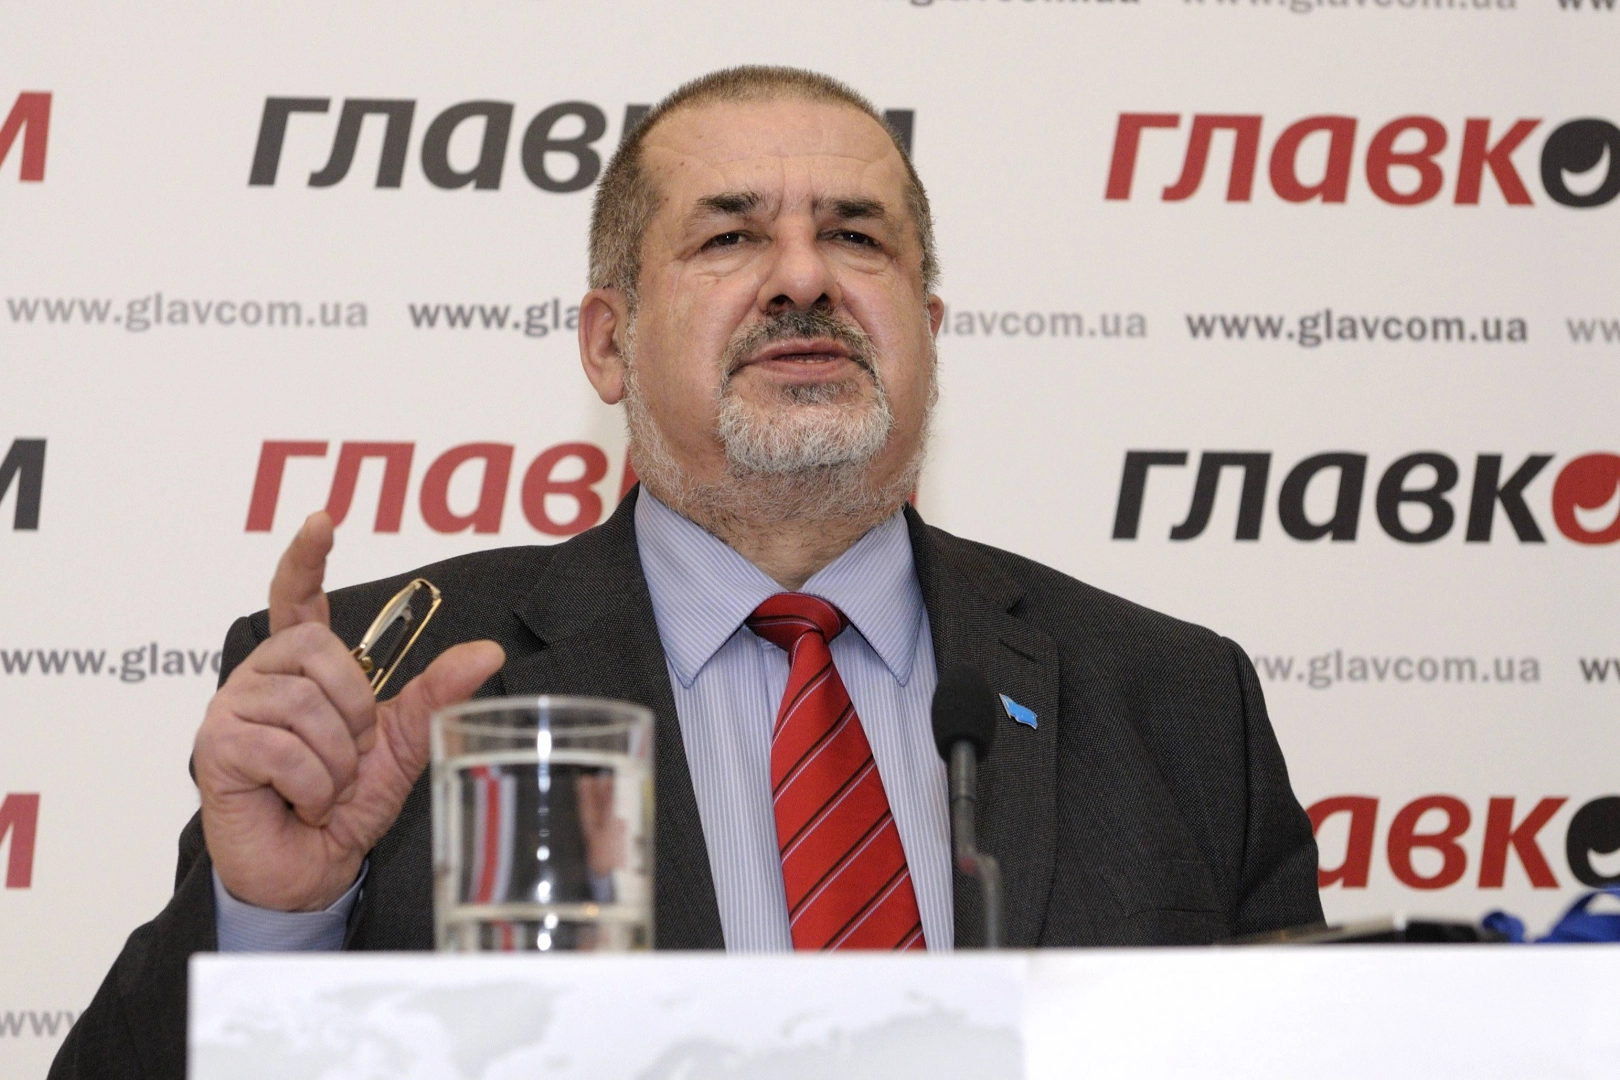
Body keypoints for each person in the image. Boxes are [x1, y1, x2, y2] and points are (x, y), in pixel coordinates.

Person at [52, 66, 1321, 1077]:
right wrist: (277, 921)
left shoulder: (1173, 699)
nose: (804, 277)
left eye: (856, 237)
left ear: (928, 335)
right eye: (729, 237)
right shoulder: (383, 684)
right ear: (608, 345)